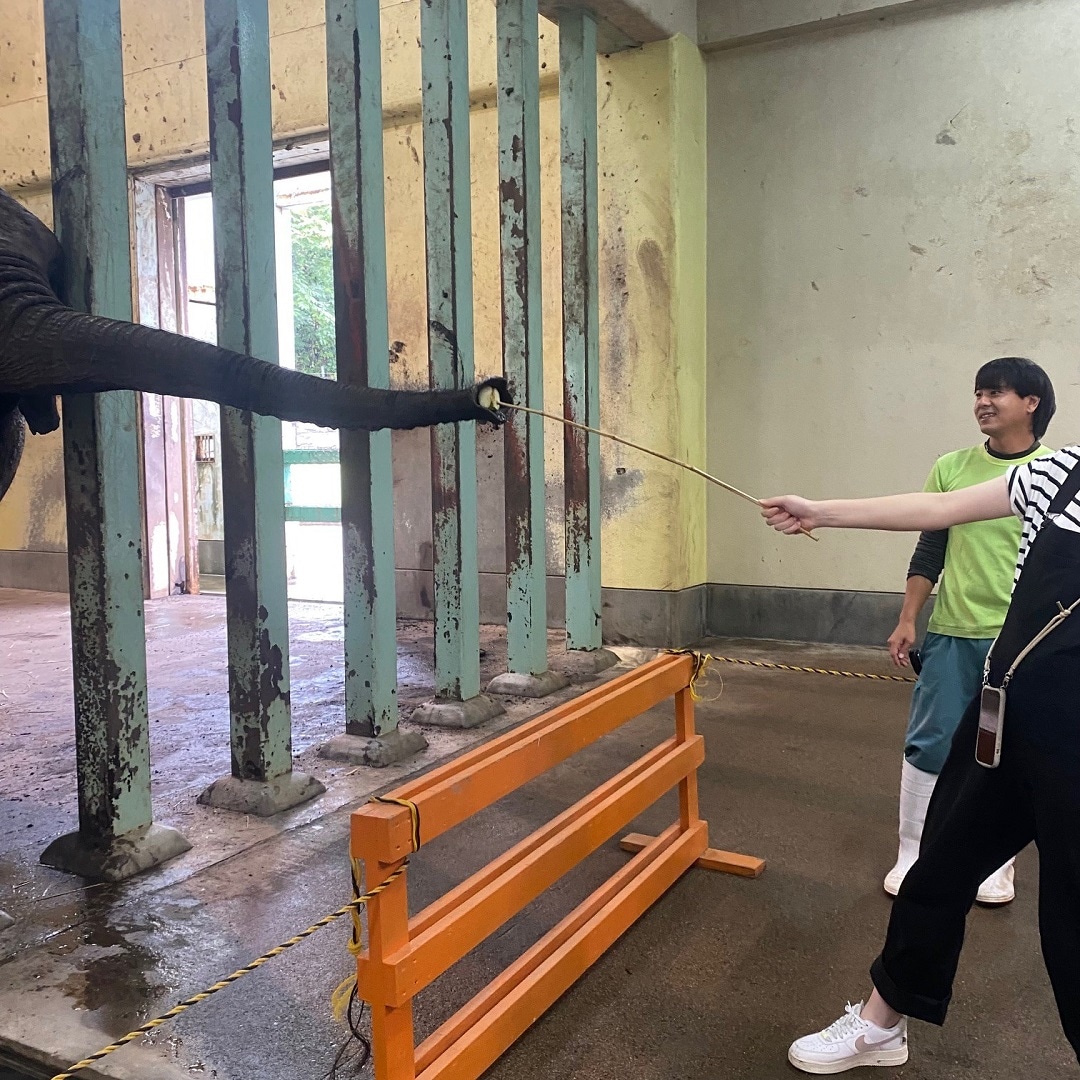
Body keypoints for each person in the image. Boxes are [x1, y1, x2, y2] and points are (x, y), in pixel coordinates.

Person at [760, 434, 1080, 1074]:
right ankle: (882, 1025)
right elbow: (939, 509)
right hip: (1006, 719)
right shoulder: (1061, 471)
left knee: (1071, 924)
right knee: (935, 871)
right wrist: (820, 511)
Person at [883, 358, 1055, 905]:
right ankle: (913, 851)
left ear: (1031, 402)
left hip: (1025, 641)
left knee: (1007, 747)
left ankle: (997, 863)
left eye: (996, 392)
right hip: (954, 631)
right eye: (978, 392)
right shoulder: (951, 467)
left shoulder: (1056, 472)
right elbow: (930, 547)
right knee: (931, 740)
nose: (982, 402)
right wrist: (908, 618)